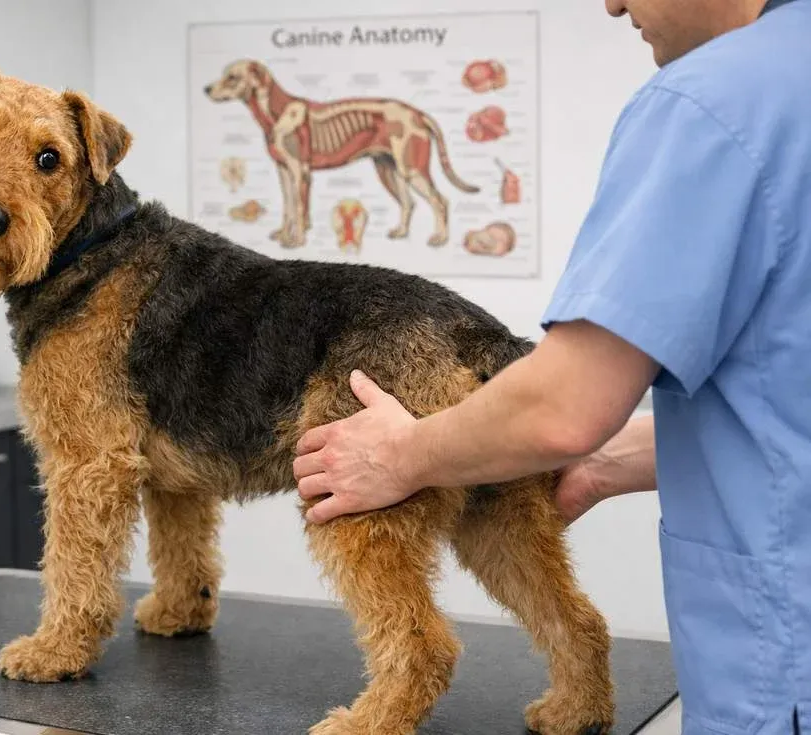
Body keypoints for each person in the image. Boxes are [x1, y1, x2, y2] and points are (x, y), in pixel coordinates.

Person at [291, 0, 811, 732]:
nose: (613, 3)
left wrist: (404, 453)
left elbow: (564, 407)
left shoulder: (714, 100)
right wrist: (605, 460)